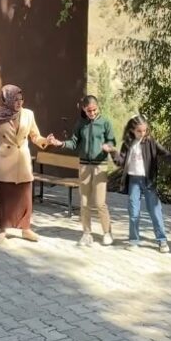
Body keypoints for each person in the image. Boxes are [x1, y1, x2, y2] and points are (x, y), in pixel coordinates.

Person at [0, 85, 62, 244]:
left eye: (21, 99)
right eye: (15, 99)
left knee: (25, 197)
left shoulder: (29, 114)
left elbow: (35, 136)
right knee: (4, 197)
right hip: (4, 162)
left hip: (22, 161)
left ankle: (26, 229)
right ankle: (2, 230)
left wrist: (46, 140)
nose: (19, 102)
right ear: (7, 100)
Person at [112, 115, 171, 253]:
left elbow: (165, 154)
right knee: (133, 211)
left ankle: (162, 240)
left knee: (155, 211)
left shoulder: (150, 142)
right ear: (132, 130)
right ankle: (134, 240)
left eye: (145, 130)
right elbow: (120, 162)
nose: (142, 133)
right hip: (133, 181)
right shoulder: (127, 144)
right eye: (139, 131)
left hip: (148, 181)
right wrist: (112, 152)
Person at [60, 96, 118, 247]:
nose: (92, 113)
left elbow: (112, 141)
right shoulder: (81, 123)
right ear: (84, 109)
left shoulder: (105, 123)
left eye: (94, 110)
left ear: (98, 107)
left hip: (100, 166)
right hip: (84, 166)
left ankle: (107, 232)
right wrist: (60, 143)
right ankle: (87, 234)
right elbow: (73, 143)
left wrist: (109, 147)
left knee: (100, 202)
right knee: (84, 202)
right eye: (88, 111)